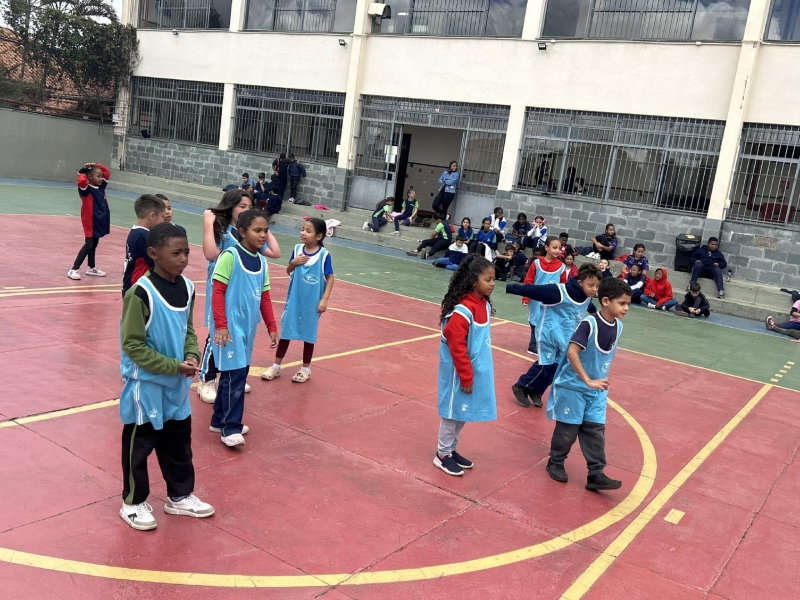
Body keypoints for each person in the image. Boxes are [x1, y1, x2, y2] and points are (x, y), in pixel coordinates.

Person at [119, 223, 214, 530]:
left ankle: (179, 496)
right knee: (139, 446)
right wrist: (174, 366)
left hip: (176, 385)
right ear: (153, 253)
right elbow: (133, 345)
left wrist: (191, 355)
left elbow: (188, 330)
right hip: (146, 385)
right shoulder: (140, 293)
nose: (183, 258)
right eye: (176, 253)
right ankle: (132, 502)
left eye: (186, 252)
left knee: (179, 444)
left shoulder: (188, 287)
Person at [545, 277, 631, 491]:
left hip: (597, 389)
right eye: (622, 303)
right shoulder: (589, 324)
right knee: (568, 430)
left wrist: (594, 382)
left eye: (627, 304)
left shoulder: (618, 326)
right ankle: (555, 462)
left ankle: (596, 473)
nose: (626, 308)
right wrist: (587, 379)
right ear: (605, 301)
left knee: (595, 430)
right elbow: (572, 352)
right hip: (573, 386)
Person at [197, 190, 280, 404]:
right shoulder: (223, 232)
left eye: (249, 207)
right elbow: (210, 254)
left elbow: (275, 252)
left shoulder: (251, 236)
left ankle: (233, 374)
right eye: (242, 206)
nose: (245, 210)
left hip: (243, 297)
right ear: (230, 206)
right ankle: (206, 379)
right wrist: (208, 223)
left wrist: (262, 225)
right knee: (216, 337)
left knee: (240, 339)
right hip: (222, 293)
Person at [210, 210, 278, 447]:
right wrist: (221, 325)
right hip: (229, 328)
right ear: (242, 231)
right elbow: (217, 292)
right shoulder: (230, 256)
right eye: (257, 230)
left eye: (265, 230)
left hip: (247, 329)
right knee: (235, 376)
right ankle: (230, 428)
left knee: (235, 373)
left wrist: (271, 325)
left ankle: (219, 420)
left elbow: (265, 297)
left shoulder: (262, 262)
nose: (263, 235)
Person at [434, 256, 496, 476]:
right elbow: (456, 344)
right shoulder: (464, 310)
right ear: (473, 280)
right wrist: (466, 376)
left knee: (462, 412)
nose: (492, 284)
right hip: (458, 374)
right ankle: (442, 454)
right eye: (487, 279)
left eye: (493, 279)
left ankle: (451, 449)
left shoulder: (483, 305)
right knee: (452, 414)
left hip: (472, 371)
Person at [508, 263, 601, 408]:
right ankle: (521, 385)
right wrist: (510, 288)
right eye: (591, 285)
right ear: (580, 282)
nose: (594, 289)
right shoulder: (560, 292)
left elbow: (589, 306)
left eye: (597, 286)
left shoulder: (586, 296)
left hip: (565, 338)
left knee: (557, 368)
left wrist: (596, 314)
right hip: (549, 334)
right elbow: (533, 290)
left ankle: (536, 390)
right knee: (545, 365)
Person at [261, 218, 334, 384]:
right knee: (286, 331)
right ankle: (276, 366)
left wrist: (324, 299)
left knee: (309, 334)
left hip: (312, 303)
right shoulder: (297, 249)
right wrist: (293, 263)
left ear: (319, 236)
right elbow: (289, 271)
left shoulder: (323, 255)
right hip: (294, 300)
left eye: (308, 231)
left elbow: (330, 277)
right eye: (303, 229)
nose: (303, 233)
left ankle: (306, 368)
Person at [520, 236, 567, 359]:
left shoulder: (561, 267)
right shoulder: (536, 263)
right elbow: (529, 281)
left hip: (551, 301)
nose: (557, 250)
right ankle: (533, 345)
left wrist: (563, 300)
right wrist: (526, 297)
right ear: (546, 248)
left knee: (549, 321)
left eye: (559, 248)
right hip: (536, 300)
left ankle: (545, 344)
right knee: (535, 320)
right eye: (554, 247)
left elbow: (563, 285)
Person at [68, 162, 110, 281]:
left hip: (99, 219)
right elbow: (81, 180)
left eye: (101, 176)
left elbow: (107, 172)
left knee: (94, 243)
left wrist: (96, 164)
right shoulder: (86, 189)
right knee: (89, 244)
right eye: (98, 176)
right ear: (90, 177)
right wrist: (82, 171)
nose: (101, 178)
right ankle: (74, 269)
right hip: (90, 220)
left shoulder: (101, 186)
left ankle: (91, 268)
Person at [122, 194, 166, 297]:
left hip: (133, 286)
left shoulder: (136, 232)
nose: (163, 221)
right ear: (152, 216)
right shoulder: (143, 236)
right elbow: (154, 262)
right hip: (137, 288)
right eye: (162, 217)